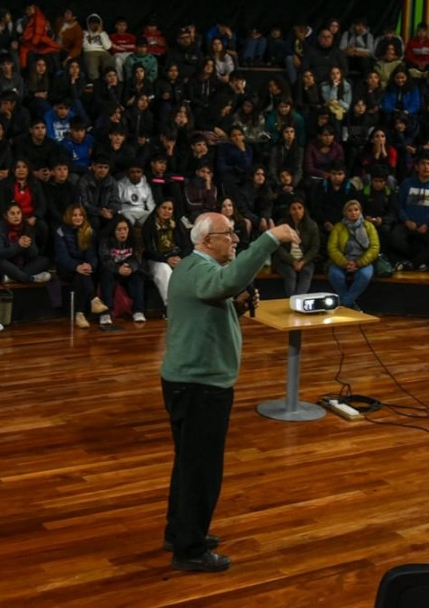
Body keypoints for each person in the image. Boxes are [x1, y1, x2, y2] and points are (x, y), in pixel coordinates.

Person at [161, 215, 298, 572]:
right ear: (207, 241)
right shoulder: (200, 271)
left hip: (190, 381)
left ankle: (180, 532)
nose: (235, 239)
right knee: (202, 470)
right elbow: (228, 280)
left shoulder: (193, 268)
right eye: (229, 234)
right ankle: (189, 551)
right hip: (200, 386)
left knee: (189, 464)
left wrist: (234, 306)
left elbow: (211, 303)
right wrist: (268, 238)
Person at [55, 204, 103, 329]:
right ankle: (93, 300)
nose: (78, 218)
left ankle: (80, 314)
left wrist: (90, 265)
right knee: (81, 273)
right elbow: (62, 256)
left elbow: (92, 253)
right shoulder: (60, 232)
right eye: (75, 215)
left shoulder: (88, 230)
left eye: (80, 215)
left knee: (82, 275)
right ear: (69, 217)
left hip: (82, 267)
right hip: (66, 267)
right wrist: (76, 266)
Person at [326, 200, 380, 310]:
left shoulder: (369, 226)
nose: (353, 213)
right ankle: (352, 305)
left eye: (356, 210)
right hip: (343, 260)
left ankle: (344, 304)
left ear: (360, 211)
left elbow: (374, 247)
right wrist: (345, 263)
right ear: (345, 213)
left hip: (362, 261)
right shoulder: (338, 227)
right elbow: (332, 248)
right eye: (350, 210)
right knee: (335, 275)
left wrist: (358, 263)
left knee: (364, 276)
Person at [0, 201, 52, 284]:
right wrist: (18, 246)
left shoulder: (26, 227)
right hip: (3, 264)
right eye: (12, 214)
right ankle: (31, 279)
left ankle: (15, 277)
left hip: (20, 266)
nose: (16, 216)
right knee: (0, 263)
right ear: (5, 216)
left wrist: (28, 245)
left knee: (44, 261)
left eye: (18, 213)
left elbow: (34, 254)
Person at [97, 216, 146, 325]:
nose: (122, 232)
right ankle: (105, 313)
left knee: (138, 277)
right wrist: (117, 268)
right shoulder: (106, 241)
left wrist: (130, 267)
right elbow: (105, 259)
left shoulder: (135, 239)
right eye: (119, 229)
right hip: (112, 269)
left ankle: (138, 311)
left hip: (127, 269)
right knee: (106, 277)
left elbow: (138, 257)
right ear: (113, 231)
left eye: (125, 229)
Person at [143, 199, 191, 310]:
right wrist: (166, 259)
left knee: (190, 267)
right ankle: (171, 306)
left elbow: (188, 246)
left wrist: (180, 258)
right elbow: (149, 250)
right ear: (157, 209)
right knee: (164, 269)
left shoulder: (177, 224)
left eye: (170, 209)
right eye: (164, 208)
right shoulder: (149, 225)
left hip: (176, 257)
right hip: (156, 259)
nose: (166, 211)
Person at [272, 197, 319, 296]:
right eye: (293, 208)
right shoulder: (282, 224)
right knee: (290, 274)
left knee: (307, 272)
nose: (297, 211)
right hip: (284, 261)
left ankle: (298, 300)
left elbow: (314, 248)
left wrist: (302, 262)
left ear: (304, 210)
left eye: (299, 208)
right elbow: (278, 247)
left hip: (305, 260)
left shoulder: (312, 225)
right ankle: (291, 301)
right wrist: (292, 261)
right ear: (289, 211)